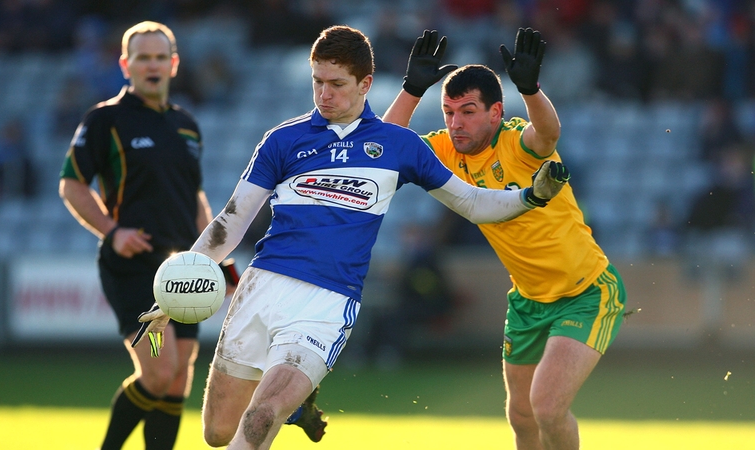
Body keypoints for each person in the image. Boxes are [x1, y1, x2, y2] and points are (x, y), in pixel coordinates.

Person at [134, 25, 570, 450]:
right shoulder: (282, 141)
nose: (325, 94)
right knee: (217, 434)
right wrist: (179, 283)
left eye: (337, 84)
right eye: (318, 82)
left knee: (259, 418)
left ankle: (288, 396)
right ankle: (296, 401)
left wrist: (531, 196)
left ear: (364, 84)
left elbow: (474, 202)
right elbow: (230, 221)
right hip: (260, 289)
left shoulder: (399, 145)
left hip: (326, 303)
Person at [382, 28, 627, 450]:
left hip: (585, 292)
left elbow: (548, 134)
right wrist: (411, 90)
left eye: (468, 112)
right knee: (522, 416)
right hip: (528, 301)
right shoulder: (445, 149)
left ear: (496, 112)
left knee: (548, 407)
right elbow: (383, 146)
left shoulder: (517, 141)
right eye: (449, 112)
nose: (456, 123)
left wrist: (530, 89)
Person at [58, 21, 214, 450]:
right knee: (158, 373)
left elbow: (195, 195)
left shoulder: (187, 125)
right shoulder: (105, 119)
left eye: (160, 57)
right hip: (134, 267)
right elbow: (71, 184)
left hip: (183, 272)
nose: (152, 65)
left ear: (174, 64)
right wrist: (112, 232)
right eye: (142, 57)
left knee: (179, 376)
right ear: (126, 65)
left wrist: (218, 255)